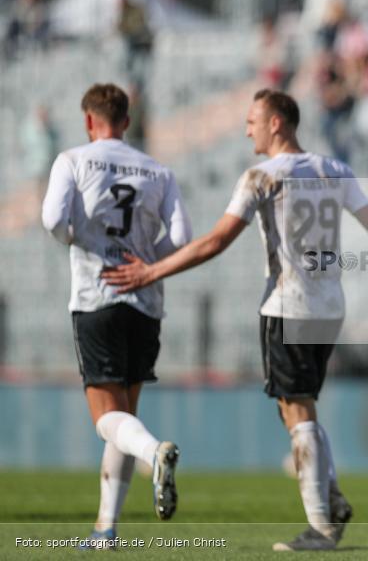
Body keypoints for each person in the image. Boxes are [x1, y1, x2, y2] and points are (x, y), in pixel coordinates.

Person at [101, 89, 368, 552]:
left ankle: (321, 527)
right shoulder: (335, 169)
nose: (247, 130)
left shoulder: (262, 177)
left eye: (252, 121)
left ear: (276, 123)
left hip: (288, 304)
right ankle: (331, 496)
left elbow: (216, 241)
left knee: (298, 410)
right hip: (330, 306)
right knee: (296, 406)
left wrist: (152, 271)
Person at [41, 83, 191, 547]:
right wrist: (147, 264)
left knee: (107, 419)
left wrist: (74, 239)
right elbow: (182, 237)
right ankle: (106, 528)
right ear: (126, 121)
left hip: (97, 295)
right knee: (126, 416)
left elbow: (52, 219)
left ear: (89, 121)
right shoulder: (158, 170)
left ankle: (154, 452)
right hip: (145, 301)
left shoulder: (72, 159)